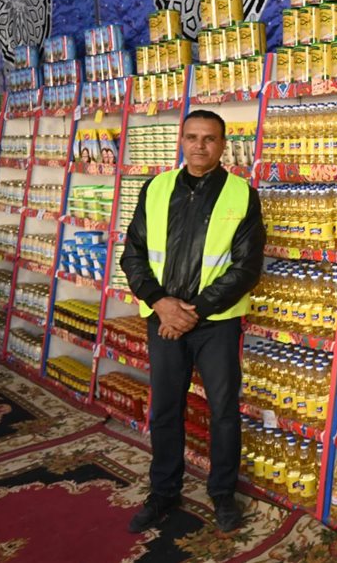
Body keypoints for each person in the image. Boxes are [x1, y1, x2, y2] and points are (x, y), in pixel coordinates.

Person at [121, 109, 265, 533]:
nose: (200, 146)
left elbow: (246, 268)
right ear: (181, 141)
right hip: (163, 319)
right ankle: (163, 491)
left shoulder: (242, 194)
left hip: (216, 322)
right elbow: (133, 253)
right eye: (192, 137)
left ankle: (222, 493)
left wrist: (193, 311)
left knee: (223, 410)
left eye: (209, 138)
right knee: (166, 407)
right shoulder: (156, 188)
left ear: (223, 145)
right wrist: (160, 303)